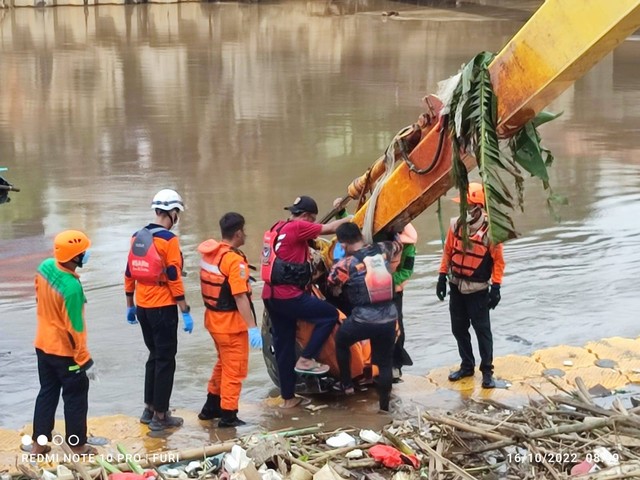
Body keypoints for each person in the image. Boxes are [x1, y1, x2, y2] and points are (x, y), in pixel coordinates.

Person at [261, 195, 351, 409]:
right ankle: (307, 359)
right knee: (328, 315)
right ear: (307, 217)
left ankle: (288, 399)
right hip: (289, 296)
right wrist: (352, 218)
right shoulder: (300, 227)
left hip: (270, 296)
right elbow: (330, 229)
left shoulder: (277, 227)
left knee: (283, 346)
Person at [125, 189, 193, 431]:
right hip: (163, 307)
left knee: (154, 356)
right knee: (166, 360)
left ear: (156, 210)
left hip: (142, 306)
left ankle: (149, 409)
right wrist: (184, 308)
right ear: (173, 213)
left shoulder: (137, 236)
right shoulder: (169, 240)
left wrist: (129, 305)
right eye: (177, 214)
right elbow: (174, 275)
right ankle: (161, 417)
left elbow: (128, 272)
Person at [31, 230, 96, 455]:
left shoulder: (45, 267)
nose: (86, 254)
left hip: (42, 344)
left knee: (47, 393)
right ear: (74, 257)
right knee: (76, 397)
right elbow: (76, 329)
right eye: (83, 252)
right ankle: (77, 445)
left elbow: (38, 296)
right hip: (64, 353)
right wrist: (85, 360)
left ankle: (39, 445)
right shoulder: (72, 288)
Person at [327, 223, 402, 411]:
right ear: (361, 236)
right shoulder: (384, 249)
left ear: (343, 245)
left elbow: (332, 285)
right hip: (389, 318)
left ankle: (347, 384)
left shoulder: (345, 264)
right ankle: (384, 407)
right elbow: (399, 245)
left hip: (363, 319)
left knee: (342, 340)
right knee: (384, 364)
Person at [436, 182, 505, 388]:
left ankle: (487, 371)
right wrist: (441, 277)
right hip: (456, 286)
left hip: (478, 290)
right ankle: (467, 366)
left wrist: (496, 287)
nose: (463, 209)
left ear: (477, 206)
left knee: (482, 330)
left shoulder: (491, 231)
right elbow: (448, 251)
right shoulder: (456, 225)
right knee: (458, 328)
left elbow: (499, 261)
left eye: (467, 205)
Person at [197, 212, 262, 428]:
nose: (246, 234)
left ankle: (210, 407)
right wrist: (252, 327)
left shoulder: (211, 254)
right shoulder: (233, 261)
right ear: (238, 233)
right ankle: (228, 415)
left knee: (222, 364)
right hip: (231, 326)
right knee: (235, 369)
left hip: (213, 321)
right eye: (244, 231)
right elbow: (240, 295)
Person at [388, 224, 417, 382]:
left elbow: (407, 271)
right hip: (373, 290)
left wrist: (387, 282)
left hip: (394, 291)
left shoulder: (409, 248)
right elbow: (355, 232)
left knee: (397, 327)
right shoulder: (377, 236)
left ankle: (396, 365)